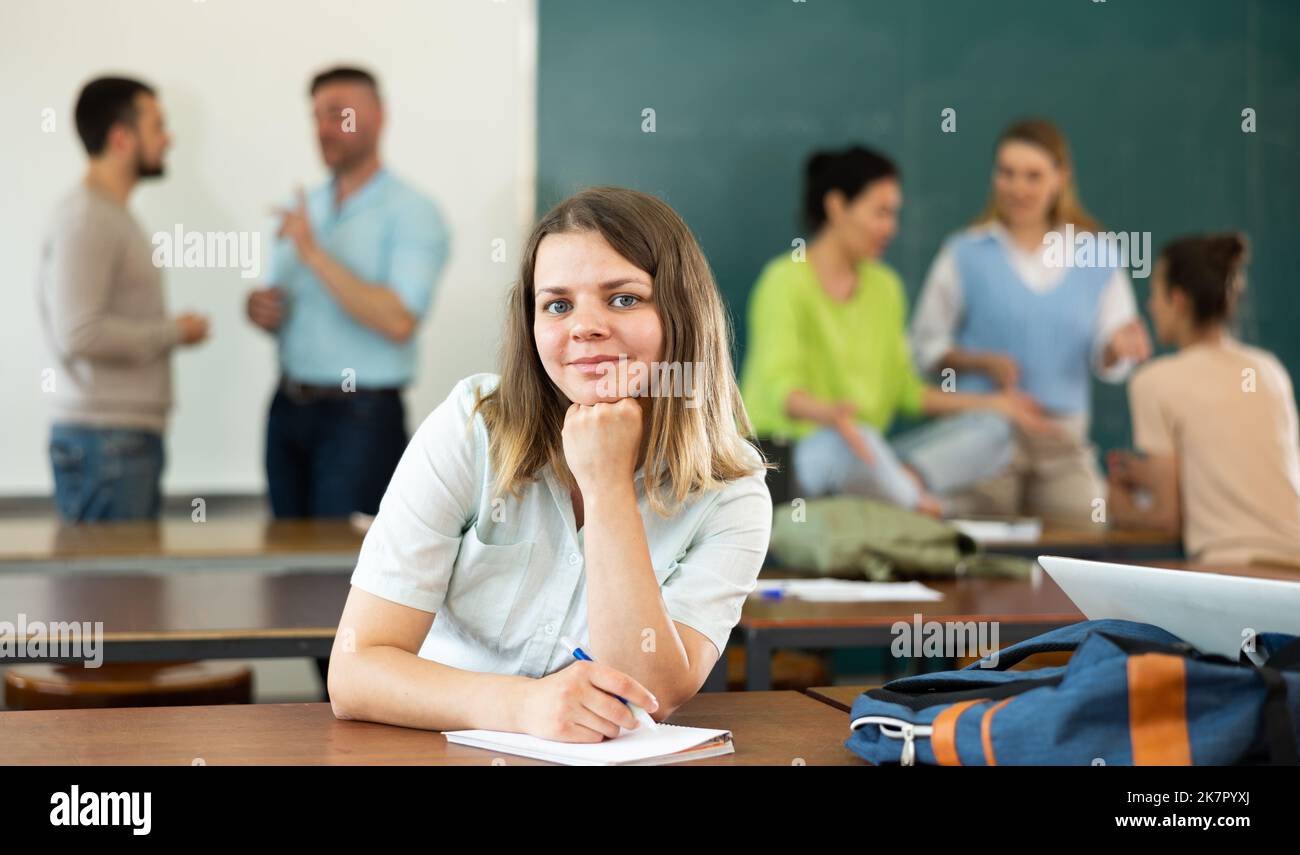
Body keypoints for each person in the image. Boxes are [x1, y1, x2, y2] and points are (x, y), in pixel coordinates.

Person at [327, 187, 772, 740]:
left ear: (681, 311)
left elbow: (645, 691)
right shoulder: (472, 428)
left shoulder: (732, 492)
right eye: (557, 304)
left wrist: (607, 483)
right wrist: (523, 706)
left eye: (623, 298)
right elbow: (355, 670)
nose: (584, 326)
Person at [740, 146, 1051, 516]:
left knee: (995, 431)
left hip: (870, 457)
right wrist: (829, 414)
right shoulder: (784, 281)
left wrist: (993, 404)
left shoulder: (886, 287)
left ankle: (893, 490)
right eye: (881, 213)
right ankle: (913, 504)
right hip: (797, 455)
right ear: (837, 206)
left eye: (894, 214)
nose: (891, 227)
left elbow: (906, 392)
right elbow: (780, 391)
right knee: (850, 443)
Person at [911, 118, 1152, 525]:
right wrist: (979, 362)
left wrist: (1116, 348)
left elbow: (1111, 356)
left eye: (1033, 176)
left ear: (1061, 177)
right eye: (1007, 173)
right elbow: (924, 348)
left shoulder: (1098, 252)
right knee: (969, 544)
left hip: (1062, 440)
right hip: (983, 435)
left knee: (1085, 528)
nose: (1018, 188)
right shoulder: (964, 251)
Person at [245, 66, 449, 518]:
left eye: (338, 114)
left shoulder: (414, 213)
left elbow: (397, 320)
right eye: (315, 116)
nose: (322, 129)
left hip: (361, 421)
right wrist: (259, 309)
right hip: (286, 410)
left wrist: (314, 254)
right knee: (286, 565)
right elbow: (283, 302)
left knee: (346, 573)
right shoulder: (304, 206)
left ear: (377, 116)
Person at [37, 76, 209, 522]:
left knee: (121, 591)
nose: (167, 139)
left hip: (116, 441)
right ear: (120, 137)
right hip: (107, 444)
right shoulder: (87, 218)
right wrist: (176, 331)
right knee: (111, 592)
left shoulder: (106, 214)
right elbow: (79, 332)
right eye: (157, 126)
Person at [1109, 233, 1300, 566]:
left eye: (1155, 293)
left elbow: (1165, 519)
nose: (1151, 305)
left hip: (1231, 571)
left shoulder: (1153, 380)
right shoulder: (1269, 370)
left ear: (1178, 301)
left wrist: (1116, 504)